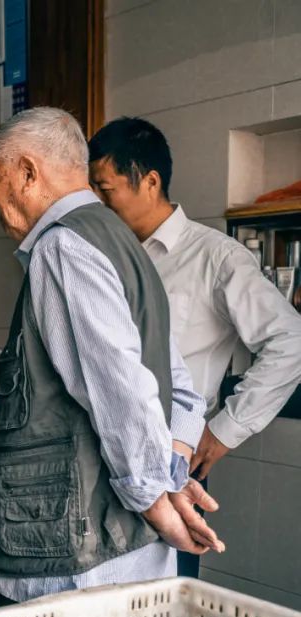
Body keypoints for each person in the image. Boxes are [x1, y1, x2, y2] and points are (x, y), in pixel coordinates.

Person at [0, 107, 223, 604]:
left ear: (27, 172)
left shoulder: (63, 246)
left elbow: (120, 390)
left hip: (78, 548)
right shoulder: (124, 244)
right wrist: (170, 484)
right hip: (125, 542)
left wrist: (156, 502)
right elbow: (177, 384)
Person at [88, 117, 301, 578]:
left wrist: (226, 428)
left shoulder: (217, 258)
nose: (100, 205)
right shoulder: (105, 258)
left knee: (163, 603)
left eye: (107, 191)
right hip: (102, 453)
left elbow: (290, 340)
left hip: (172, 458)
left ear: (150, 181)